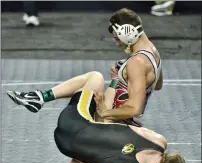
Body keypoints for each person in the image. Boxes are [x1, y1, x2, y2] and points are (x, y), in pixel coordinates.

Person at [7, 72, 187, 163]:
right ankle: (84, 153)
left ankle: (39, 97)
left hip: (74, 121)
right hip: (65, 144)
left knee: (95, 78)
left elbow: (118, 124)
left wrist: (115, 84)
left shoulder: (158, 141)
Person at [7, 8, 163, 127]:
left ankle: (39, 98)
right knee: (95, 77)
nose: (116, 43)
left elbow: (135, 108)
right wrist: (120, 79)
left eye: (117, 38)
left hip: (115, 121)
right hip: (118, 115)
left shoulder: (137, 62)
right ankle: (39, 97)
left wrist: (104, 111)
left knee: (95, 77)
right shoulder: (153, 51)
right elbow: (158, 85)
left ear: (127, 33)